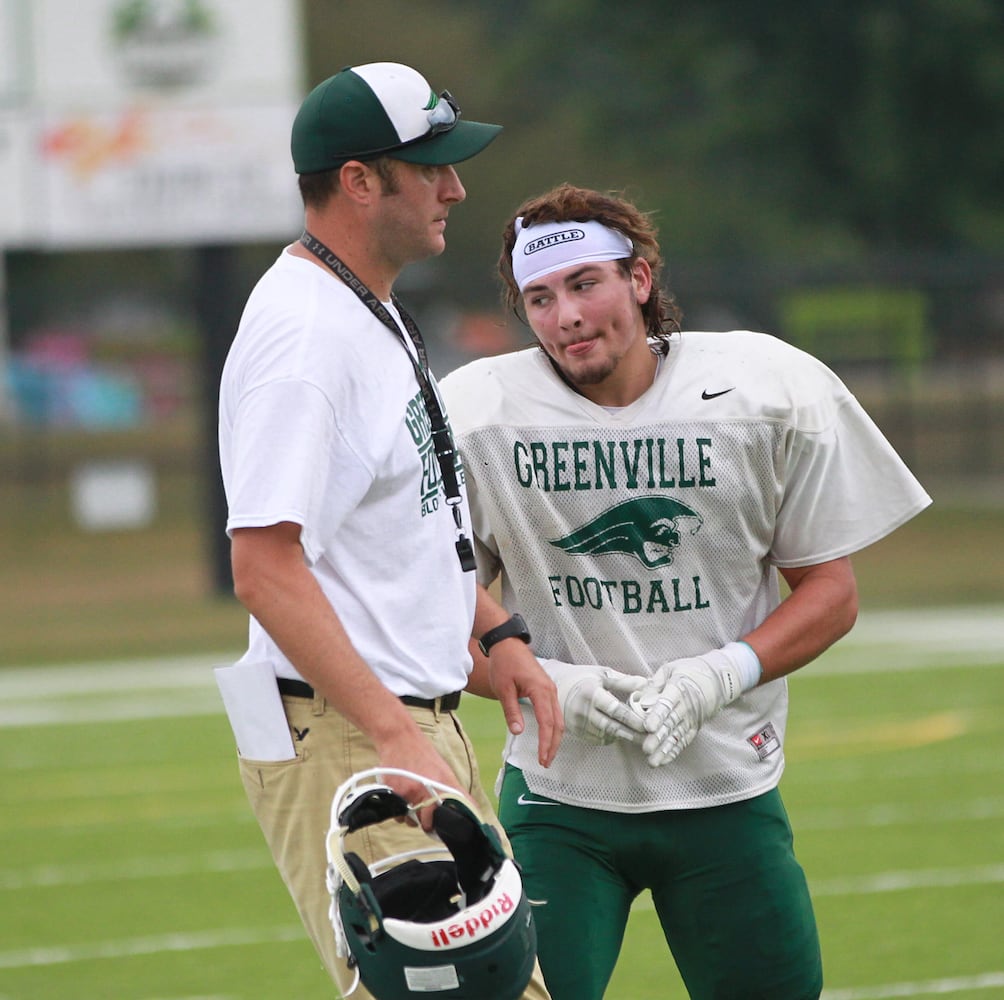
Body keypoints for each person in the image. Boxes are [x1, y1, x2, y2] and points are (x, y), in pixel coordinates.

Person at [439, 182, 932, 1000]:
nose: (565, 315)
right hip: (560, 799)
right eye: (540, 297)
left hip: (726, 788)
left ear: (639, 278)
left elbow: (830, 592)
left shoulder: (762, 387)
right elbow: (435, 617)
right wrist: (547, 682)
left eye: (585, 283)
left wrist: (722, 672)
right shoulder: (480, 412)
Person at [216, 62, 561, 999]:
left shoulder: (361, 302)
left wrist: (494, 632)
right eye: (431, 166)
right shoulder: (307, 339)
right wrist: (389, 735)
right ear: (360, 181)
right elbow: (265, 566)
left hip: (399, 719)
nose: (455, 187)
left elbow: (410, 524)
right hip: (356, 728)